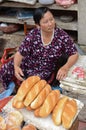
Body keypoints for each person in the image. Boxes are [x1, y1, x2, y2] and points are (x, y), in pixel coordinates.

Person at [0, 7, 78, 90]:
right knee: (6, 68)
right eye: (45, 22)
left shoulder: (61, 35)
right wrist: (16, 67)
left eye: (51, 19)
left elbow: (74, 53)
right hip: (28, 63)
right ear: (38, 25)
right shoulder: (33, 34)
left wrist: (65, 67)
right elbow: (20, 53)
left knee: (33, 85)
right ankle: (10, 90)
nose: (50, 24)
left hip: (45, 69)